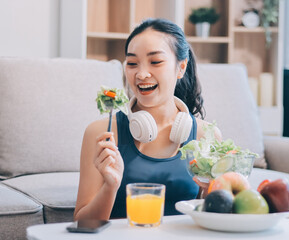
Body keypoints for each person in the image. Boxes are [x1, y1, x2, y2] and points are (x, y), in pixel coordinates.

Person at [74, 18, 221, 220]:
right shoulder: (102, 134)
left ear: (181, 67)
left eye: (155, 62)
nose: (141, 74)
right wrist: (111, 186)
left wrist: (209, 195)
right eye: (132, 63)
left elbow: (216, 219)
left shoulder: (206, 135)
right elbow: (83, 224)